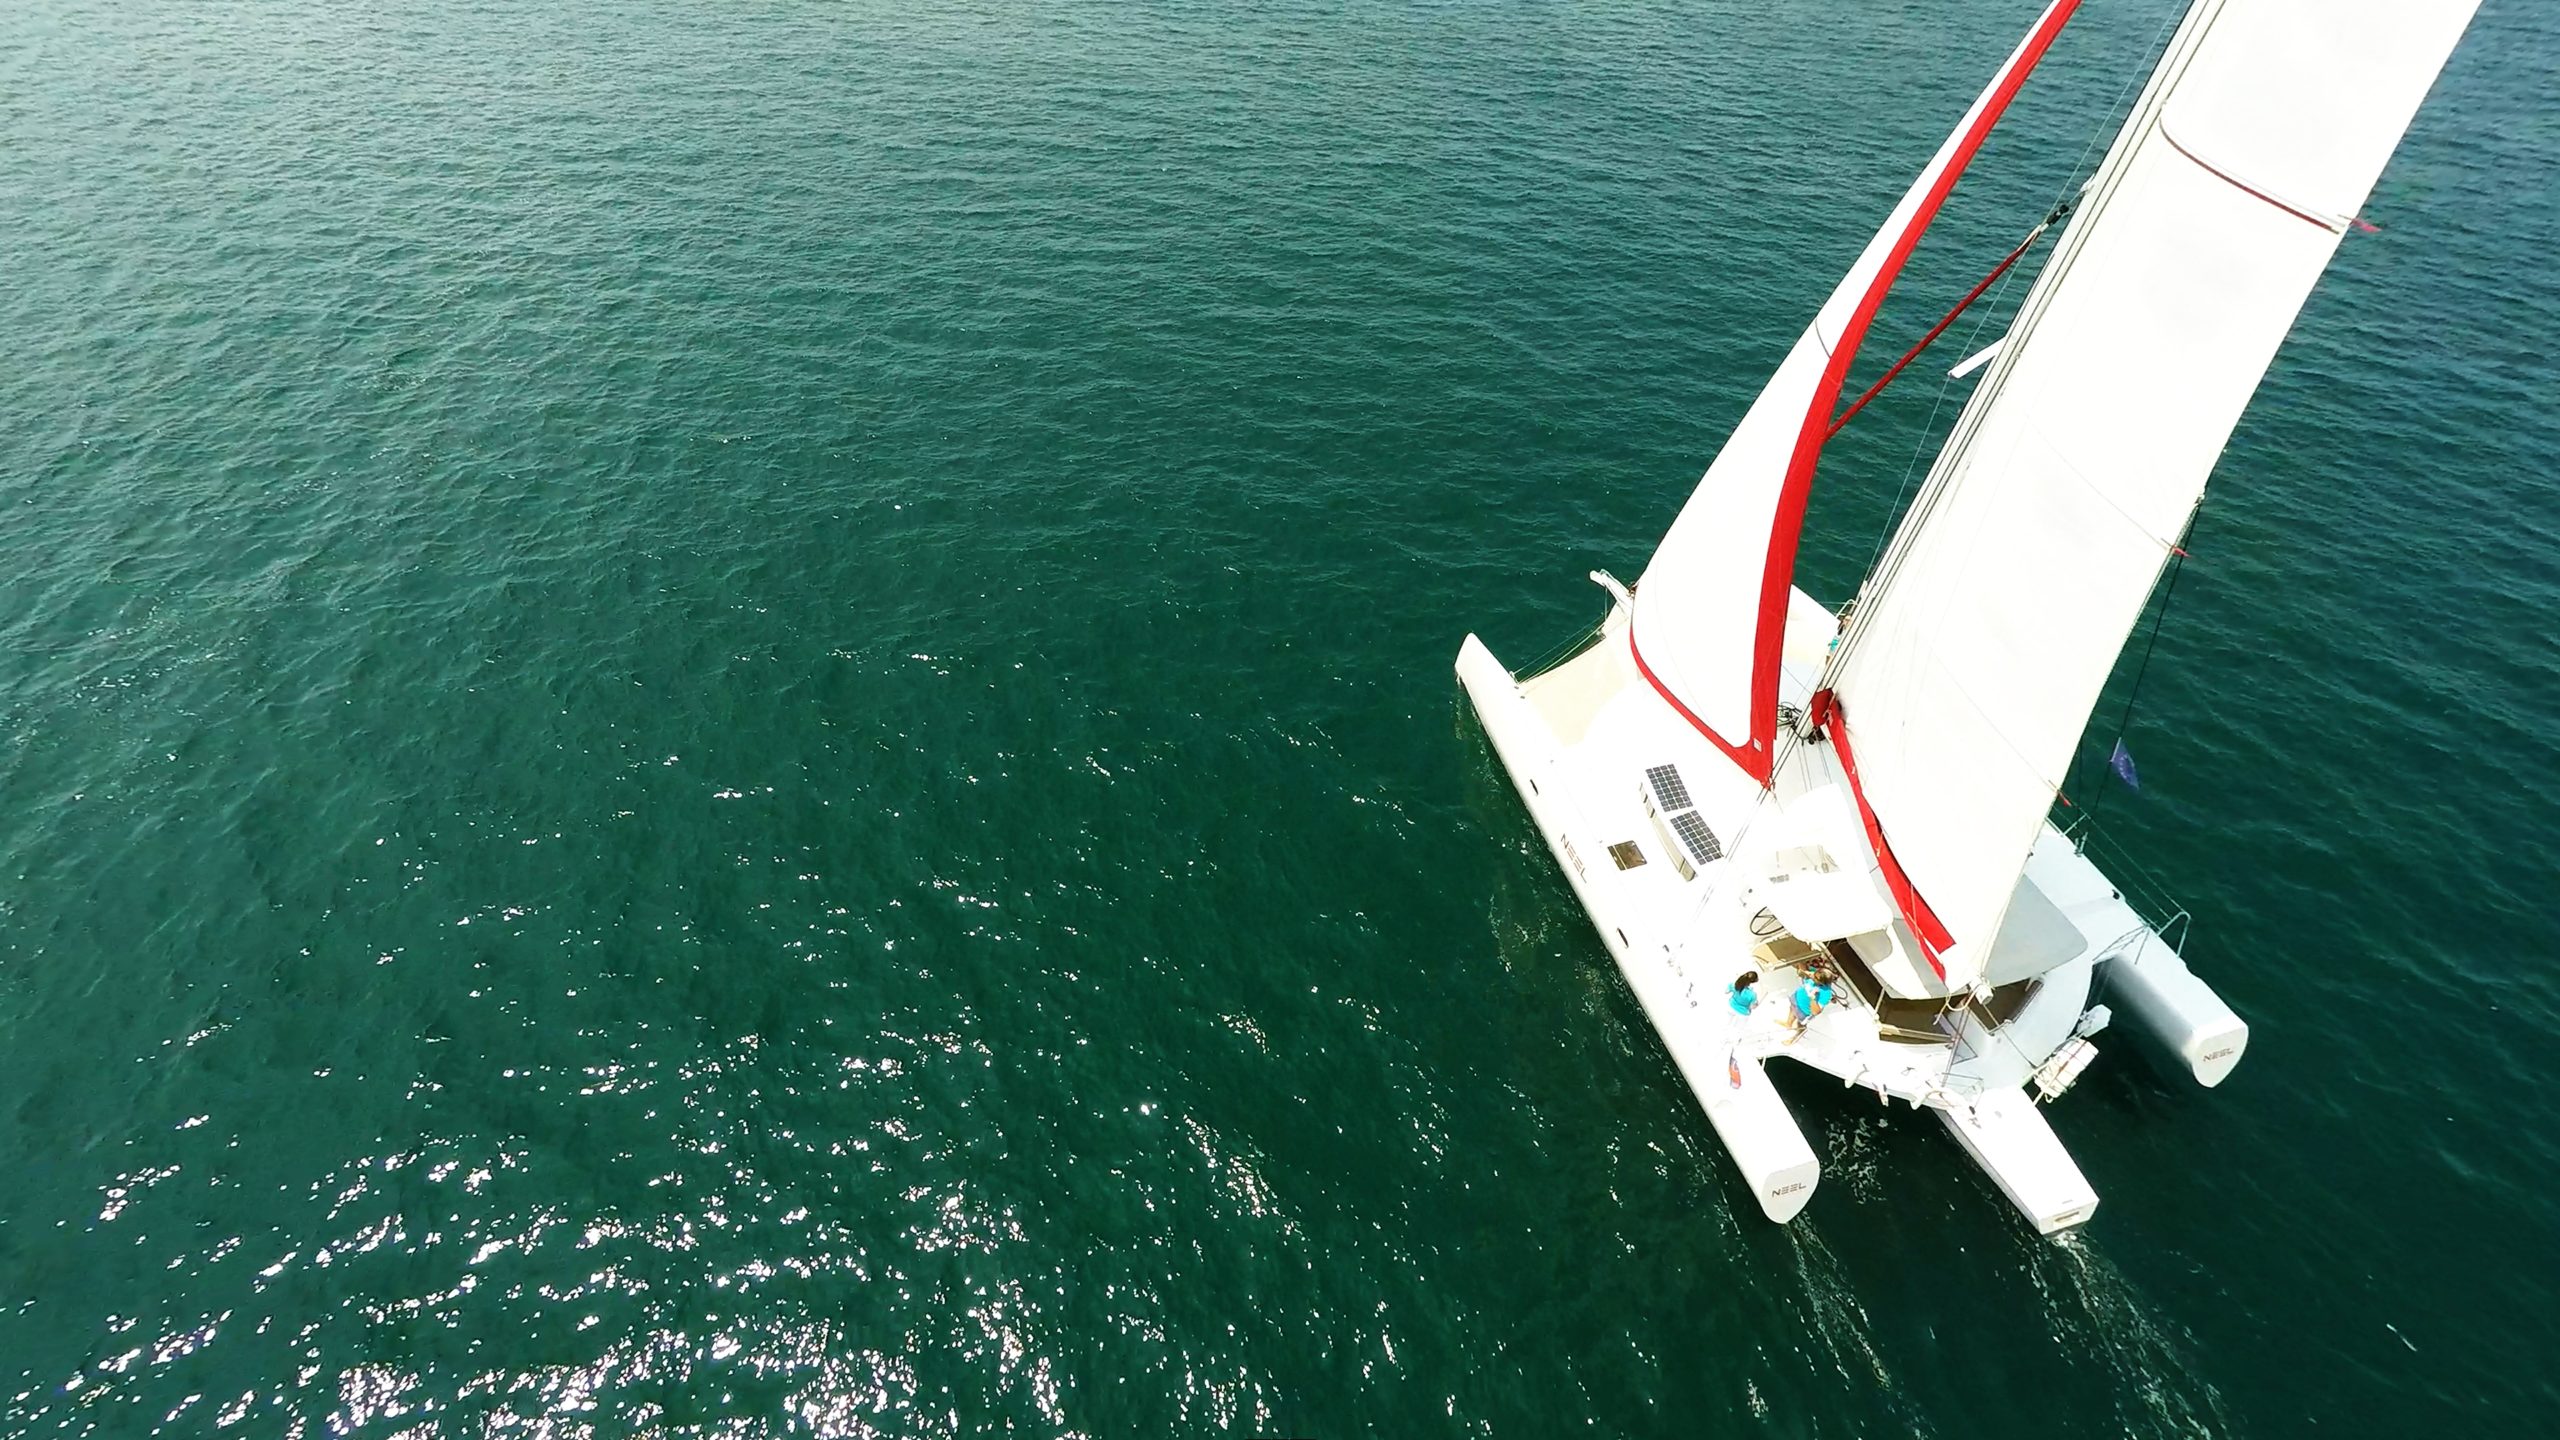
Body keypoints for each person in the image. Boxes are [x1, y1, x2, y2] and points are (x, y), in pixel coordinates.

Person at [1785, 967, 1835, 1040]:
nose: (1812, 976)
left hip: (1803, 1011)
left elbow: (1816, 1012)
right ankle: (1788, 1024)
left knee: (1801, 1024)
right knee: (1792, 1010)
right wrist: (1805, 972)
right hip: (1795, 999)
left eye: (1815, 977)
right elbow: (1801, 965)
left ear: (1822, 983)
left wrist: (1813, 998)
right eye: (1814, 974)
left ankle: (1796, 1036)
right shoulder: (1814, 973)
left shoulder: (1826, 993)